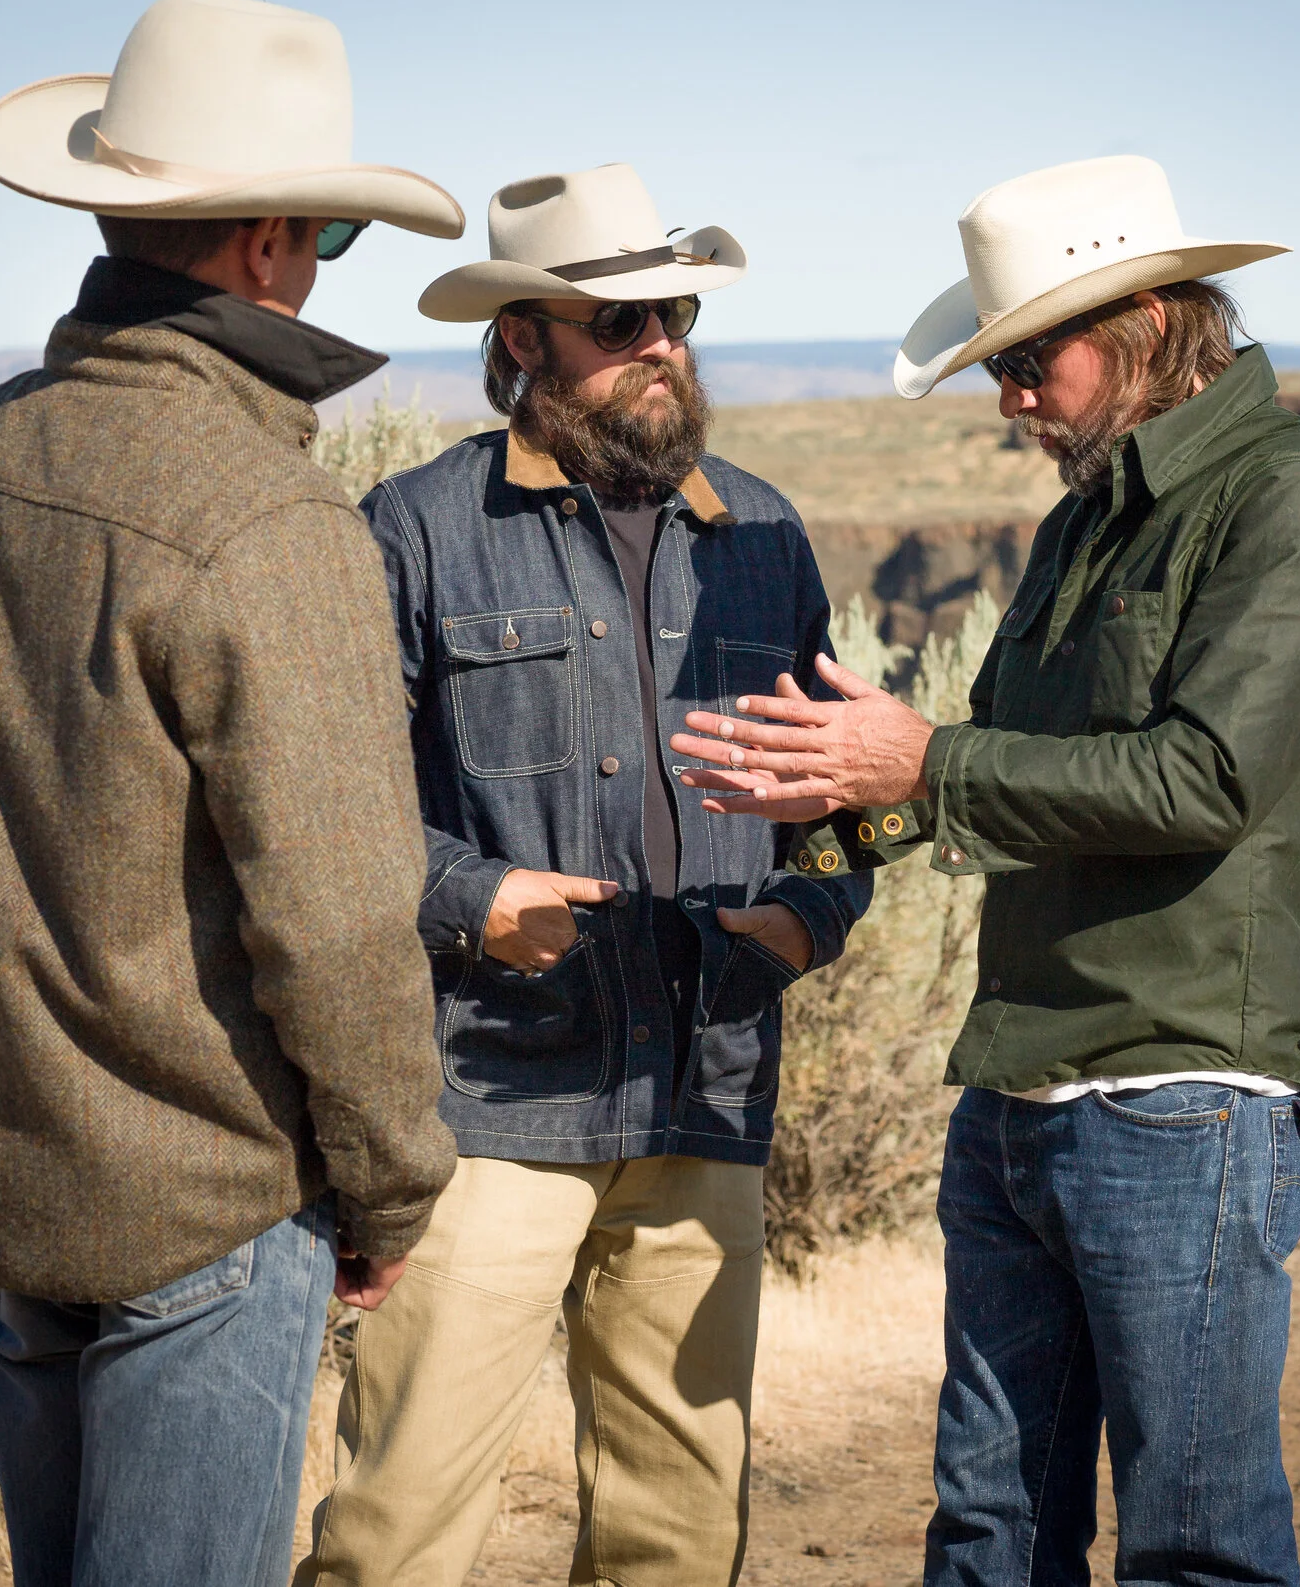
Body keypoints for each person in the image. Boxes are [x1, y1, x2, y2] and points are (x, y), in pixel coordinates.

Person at [669, 154, 1300, 1587]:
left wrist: (917, 763)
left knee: (1194, 1546)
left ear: (1146, 324)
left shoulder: (1292, 499)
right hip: (1017, 1096)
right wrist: (821, 848)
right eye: (996, 368)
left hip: (1187, 1095)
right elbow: (993, 765)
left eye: (1025, 362)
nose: (1009, 400)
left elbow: (1206, 780)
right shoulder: (1086, 520)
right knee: (990, 1533)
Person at [0, 0, 464, 1587]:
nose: (323, 260)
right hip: (208, 1218)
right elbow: (338, 924)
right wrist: (391, 1185)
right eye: (329, 230)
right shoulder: (269, 519)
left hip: (7, 1196)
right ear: (268, 242)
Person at [301, 164, 873, 1587]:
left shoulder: (766, 537)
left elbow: (846, 795)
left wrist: (808, 918)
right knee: (397, 1534)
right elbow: (332, 811)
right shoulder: (416, 530)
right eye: (618, 321)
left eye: (674, 314)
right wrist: (471, 898)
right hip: (491, 1105)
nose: (659, 344)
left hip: (706, 1096)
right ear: (522, 341)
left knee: (677, 1536)